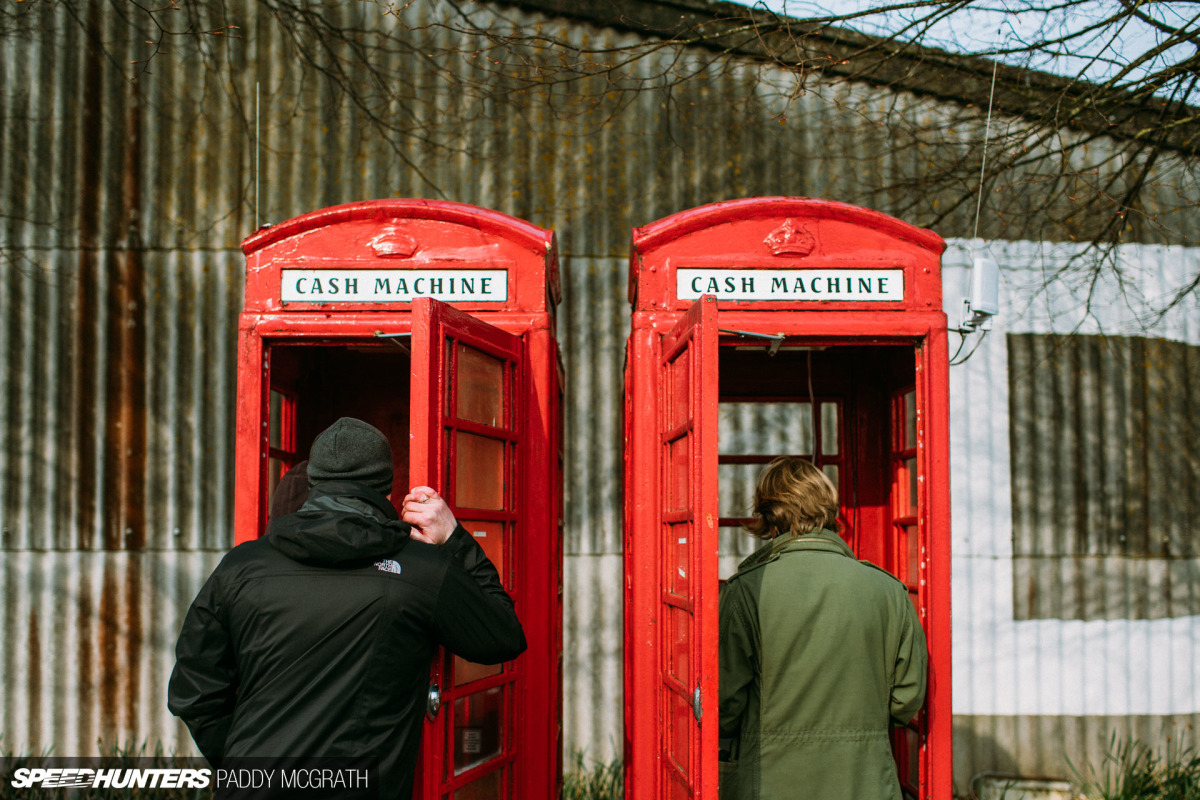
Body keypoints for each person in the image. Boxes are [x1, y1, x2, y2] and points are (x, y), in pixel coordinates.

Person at [168, 417, 526, 799]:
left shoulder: (241, 567)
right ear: (388, 490)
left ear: (313, 483)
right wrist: (454, 536)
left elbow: (194, 692)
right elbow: (503, 635)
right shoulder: (423, 571)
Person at [718, 457, 927, 800]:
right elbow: (907, 698)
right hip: (864, 782)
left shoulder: (746, 590)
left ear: (769, 515)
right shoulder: (888, 590)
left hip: (770, 783)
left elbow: (724, 706)